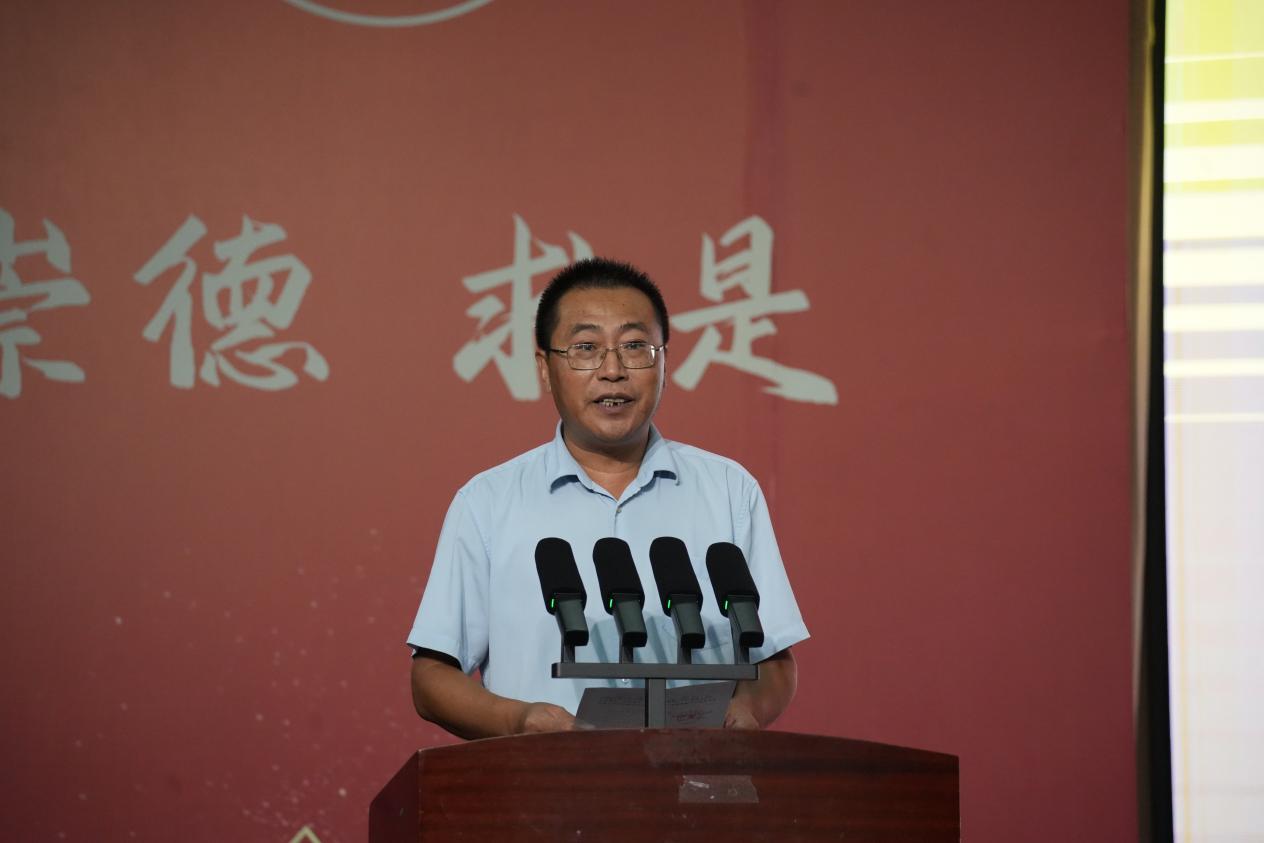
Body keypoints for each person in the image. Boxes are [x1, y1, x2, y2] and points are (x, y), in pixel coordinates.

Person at [407, 258, 808, 739]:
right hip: (543, 778)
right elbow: (432, 677)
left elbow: (774, 660)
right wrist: (518, 721)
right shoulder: (487, 502)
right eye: (586, 348)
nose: (613, 370)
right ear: (545, 367)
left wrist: (746, 711)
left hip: (692, 776)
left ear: (664, 361)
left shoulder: (728, 490)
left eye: (635, 346)